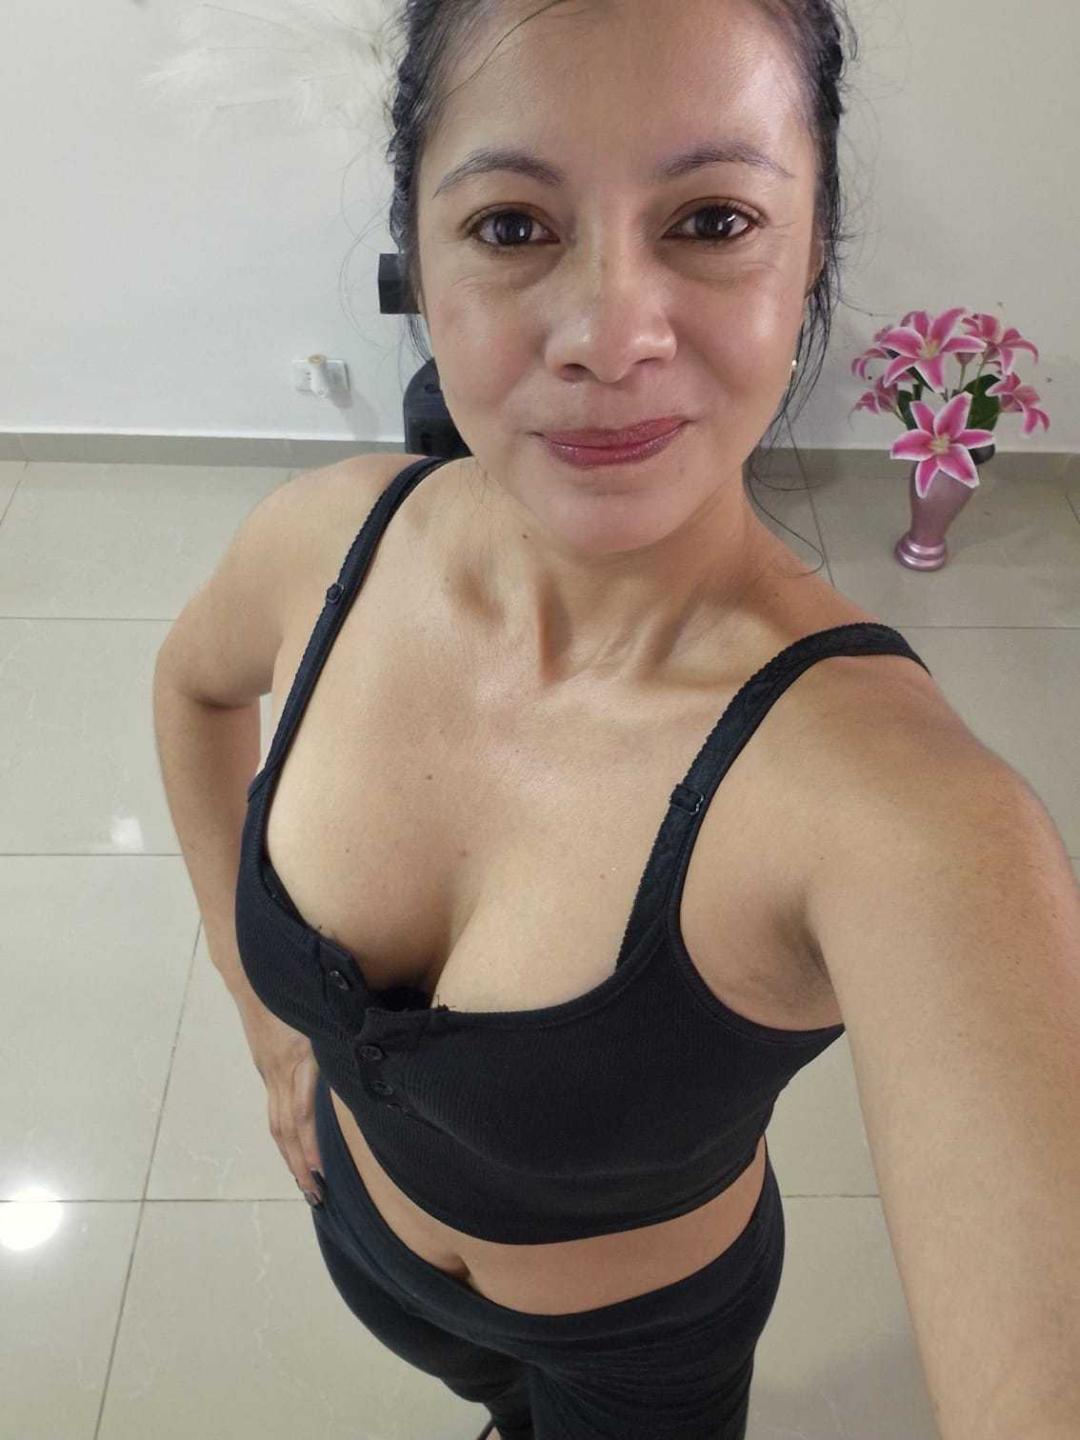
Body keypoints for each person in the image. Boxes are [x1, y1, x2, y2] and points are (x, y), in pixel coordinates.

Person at [159, 1, 953, 1436]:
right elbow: (193, 686)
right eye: (514, 226)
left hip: (635, 1357)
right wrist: (265, 1018)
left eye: (712, 221)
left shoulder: (891, 794)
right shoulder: (326, 538)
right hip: (374, 1253)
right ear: (421, 250)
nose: (608, 337)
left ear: (813, 248)